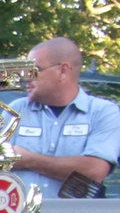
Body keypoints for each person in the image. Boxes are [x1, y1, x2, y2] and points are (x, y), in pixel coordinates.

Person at [10, 37, 120, 199]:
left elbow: (93, 171)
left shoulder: (103, 112)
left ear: (63, 71)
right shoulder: (16, 110)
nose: (26, 78)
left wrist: (27, 160)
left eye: (34, 70)